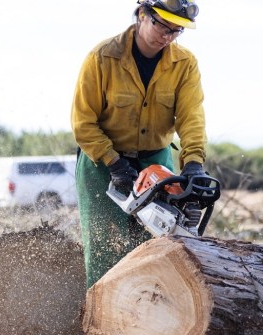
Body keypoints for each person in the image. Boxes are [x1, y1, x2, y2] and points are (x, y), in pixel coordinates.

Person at [71, 0, 208, 289]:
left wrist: (194, 163)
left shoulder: (183, 64)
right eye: (163, 26)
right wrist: (114, 162)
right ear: (142, 15)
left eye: (176, 31)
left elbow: (191, 117)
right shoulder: (102, 58)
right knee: (105, 248)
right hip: (102, 163)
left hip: (155, 160)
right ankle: (100, 318)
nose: (167, 36)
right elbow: (83, 123)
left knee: (158, 242)